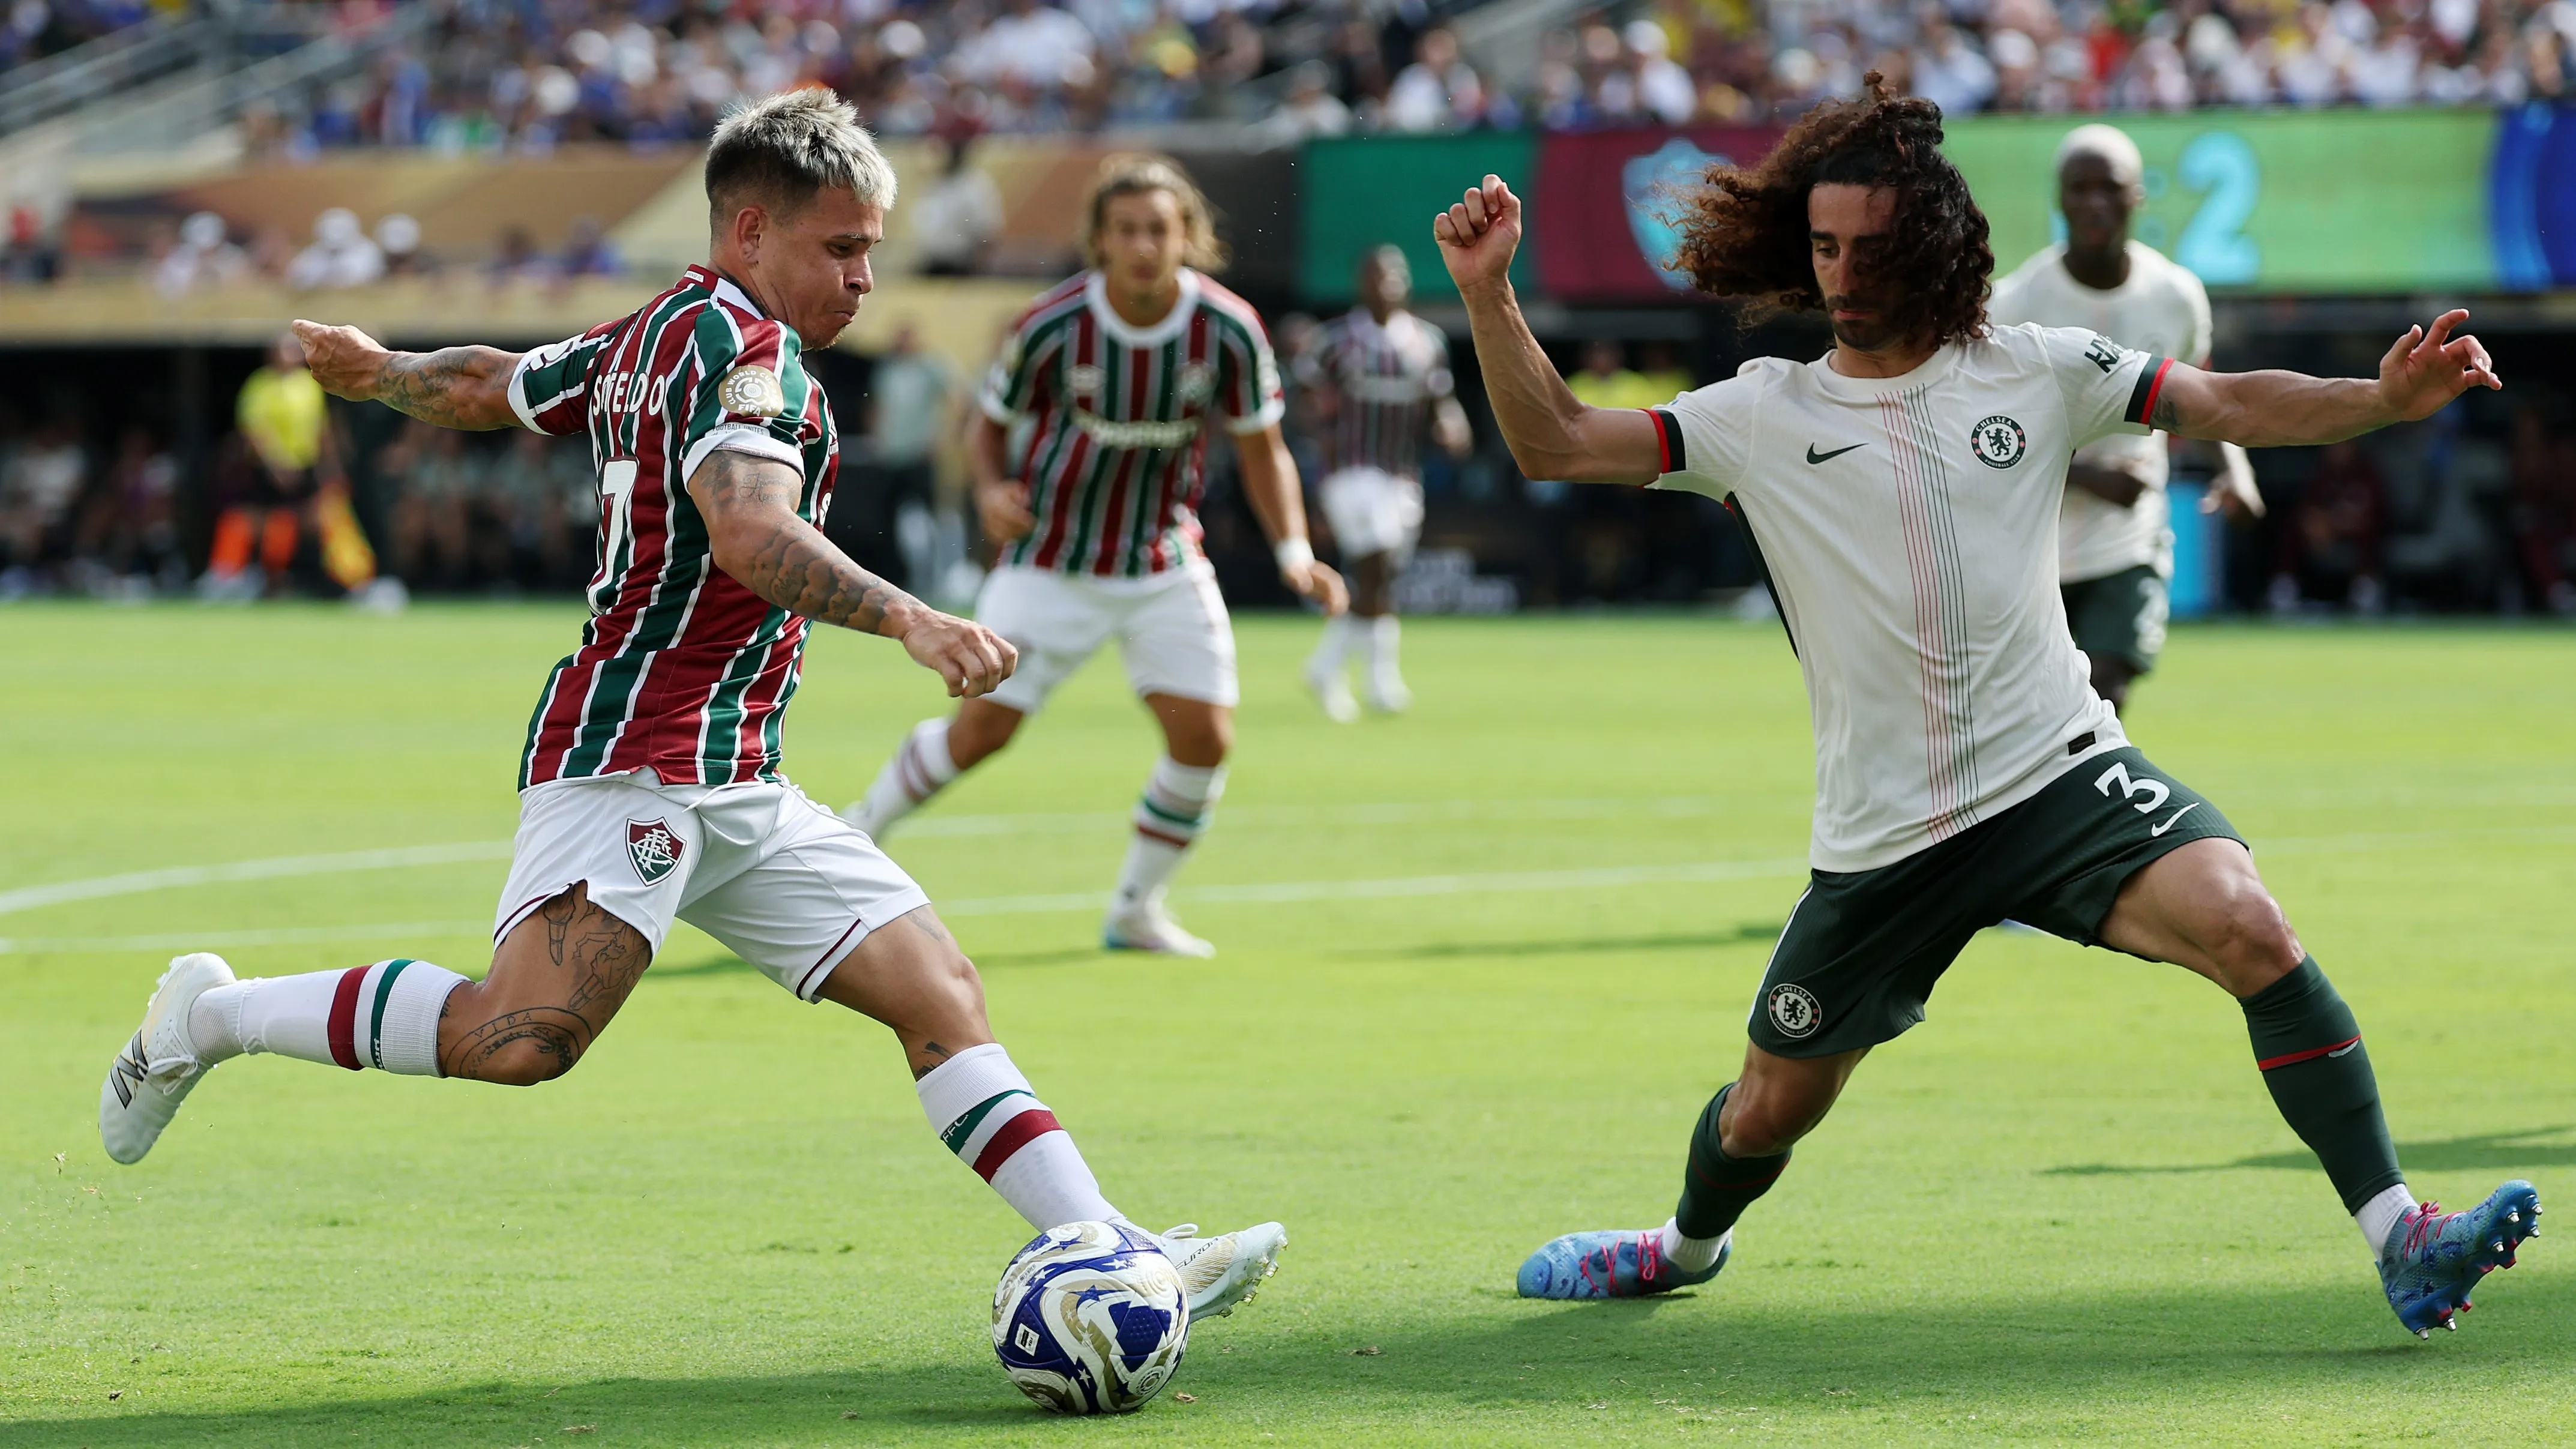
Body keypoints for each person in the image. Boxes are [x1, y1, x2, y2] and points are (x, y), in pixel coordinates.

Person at [97, 91, 1286, 1324]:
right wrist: (913, 619)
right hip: (632, 754)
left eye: (871, 248)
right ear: (752, 230)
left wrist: (382, 370)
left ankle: (1115, 1248)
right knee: (520, 1036)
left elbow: (498, 382)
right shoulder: (743, 354)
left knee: (938, 993)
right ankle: (212, 1016)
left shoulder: (656, 328)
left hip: (737, 770)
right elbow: (749, 532)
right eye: (841, 247)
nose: (864, 277)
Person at [1433, 79, 2538, 1336]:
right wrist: (1488, 292)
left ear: (1933, 245)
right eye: (1823, 247)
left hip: (2057, 775)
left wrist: (2380, 399)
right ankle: (1680, 1248)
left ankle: (2403, 1235)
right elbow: (1557, 440)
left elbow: (2225, 402)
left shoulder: (2037, 368)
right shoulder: (1759, 414)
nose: (1844, 274)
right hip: (1884, 837)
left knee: (2252, 928)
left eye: (1870, 247)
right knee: (1766, 1109)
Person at [841, 154, 1347, 959]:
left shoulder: (1228, 328)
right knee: (982, 733)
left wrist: (1294, 550)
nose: (1143, 246)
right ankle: (859, 829)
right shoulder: (1052, 324)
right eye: (1126, 230)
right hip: (1050, 560)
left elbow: (1263, 448)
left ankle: (1137, 909)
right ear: (1100, 240)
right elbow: (987, 424)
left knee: (1205, 739)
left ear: (1188, 237)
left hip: (1161, 561)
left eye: (1159, 230)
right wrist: (992, 489)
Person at [1988, 124, 2262, 714]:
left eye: (2109, 188)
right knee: (2033, 712)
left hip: (2128, 536)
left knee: (2103, 695)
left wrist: (2234, 471)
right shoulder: (2015, 304)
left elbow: (2199, 396)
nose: (2095, 203)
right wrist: (2091, 478)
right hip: (2032, 544)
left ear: (2137, 196)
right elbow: (1987, 434)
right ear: (2059, 199)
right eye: (2079, 188)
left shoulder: (2175, 295)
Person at [1299, 244, 1470, 719]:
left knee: (1383, 574)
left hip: (1401, 474)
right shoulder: (1335, 341)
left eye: (1395, 274)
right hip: (1350, 470)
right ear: (1362, 283)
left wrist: (1453, 425)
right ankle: (1381, 679)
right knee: (1376, 561)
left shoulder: (1427, 341)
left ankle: (1327, 667)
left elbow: (1442, 401)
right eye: (1377, 275)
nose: (1387, 283)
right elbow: (1304, 397)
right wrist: (1319, 441)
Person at [203, 331, 348, 598]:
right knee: (268, 523)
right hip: (268, 471)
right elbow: (254, 431)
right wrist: (276, 466)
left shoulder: (309, 385)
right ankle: (241, 578)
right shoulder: (260, 385)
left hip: (304, 468)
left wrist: (331, 469)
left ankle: (347, 583)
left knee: (326, 519)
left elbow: (321, 429)